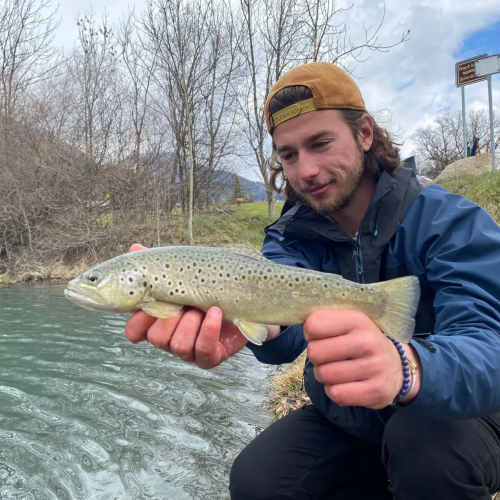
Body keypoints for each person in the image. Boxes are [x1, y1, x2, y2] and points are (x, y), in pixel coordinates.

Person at [124, 62, 500, 499]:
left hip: (462, 413)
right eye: (289, 155)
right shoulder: (291, 235)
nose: (305, 171)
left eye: (320, 143)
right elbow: (284, 332)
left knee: (425, 452)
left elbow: (491, 342)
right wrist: (257, 324)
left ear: (364, 133)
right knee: (258, 480)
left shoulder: (448, 220)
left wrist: (407, 368)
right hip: (351, 419)